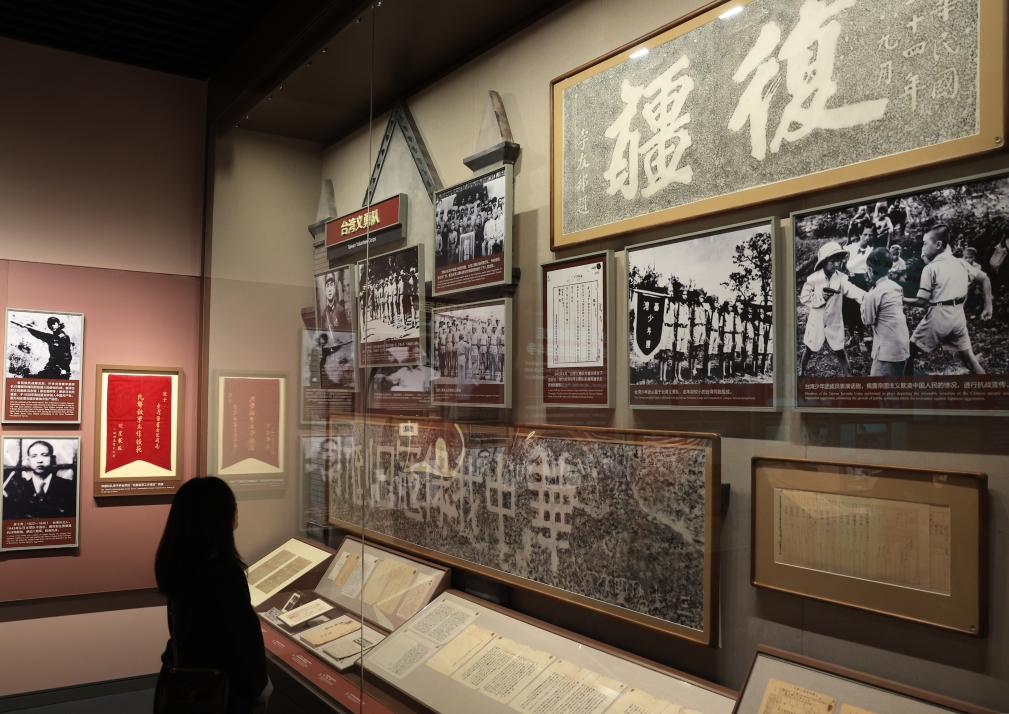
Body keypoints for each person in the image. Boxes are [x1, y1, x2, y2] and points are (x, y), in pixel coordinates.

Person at [155, 477, 270, 714]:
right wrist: (259, 687)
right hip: (220, 691)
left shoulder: (181, 563)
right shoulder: (222, 574)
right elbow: (240, 642)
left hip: (186, 683)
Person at [904, 225, 993, 375]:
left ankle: (906, 387)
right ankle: (988, 386)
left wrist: (902, 299)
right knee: (969, 359)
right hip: (958, 315)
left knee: (908, 351)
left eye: (925, 243)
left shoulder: (930, 269)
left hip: (939, 315)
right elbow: (985, 279)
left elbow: (922, 302)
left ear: (938, 245)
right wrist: (988, 307)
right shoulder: (960, 262)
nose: (922, 247)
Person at [799, 241, 866, 376]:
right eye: (833, 261)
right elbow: (804, 297)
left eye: (839, 261)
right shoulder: (813, 279)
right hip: (817, 320)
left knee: (839, 349)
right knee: (810, 347)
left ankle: (847, 374)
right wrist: (821, 297)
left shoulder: (841, 279)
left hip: (834, 320)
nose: (836, 264)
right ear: (824, 262)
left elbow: (853, 290)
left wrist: (868, 297)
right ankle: (802, 370)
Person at [860, 248, 910, 376]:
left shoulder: (873, 294)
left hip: (887, 351)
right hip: (903, 346)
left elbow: (867, 320)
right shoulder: (896, 287)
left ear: (870, 269)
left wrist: (863, 302)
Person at [1, 440, 76, 520]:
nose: (39, 460)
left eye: (44, 455)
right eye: (34, 456)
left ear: (53, 458)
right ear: (28, 461)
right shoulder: (19, 491)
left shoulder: (68, 487)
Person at [9, 316, 74, 379]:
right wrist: (29, 328)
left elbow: (66, 355)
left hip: (60, 369)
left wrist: (63, 369)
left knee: (33, 378)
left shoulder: (63, 337)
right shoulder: (53, 337)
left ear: (58, 324)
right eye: (50, 324)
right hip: (52, 367)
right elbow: (40, 335)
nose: (52, 326)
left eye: (54, 324)